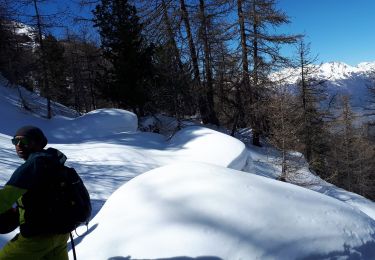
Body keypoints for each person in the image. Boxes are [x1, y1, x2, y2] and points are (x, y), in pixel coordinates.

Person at [0, 125, 70, 260]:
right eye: (15, 141)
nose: (19, 145)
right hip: (61, 234)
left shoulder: (33, 165)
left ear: (38, 143)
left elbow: (4, 199)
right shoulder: (53, 162)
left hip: (37, 238)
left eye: (25, 141)